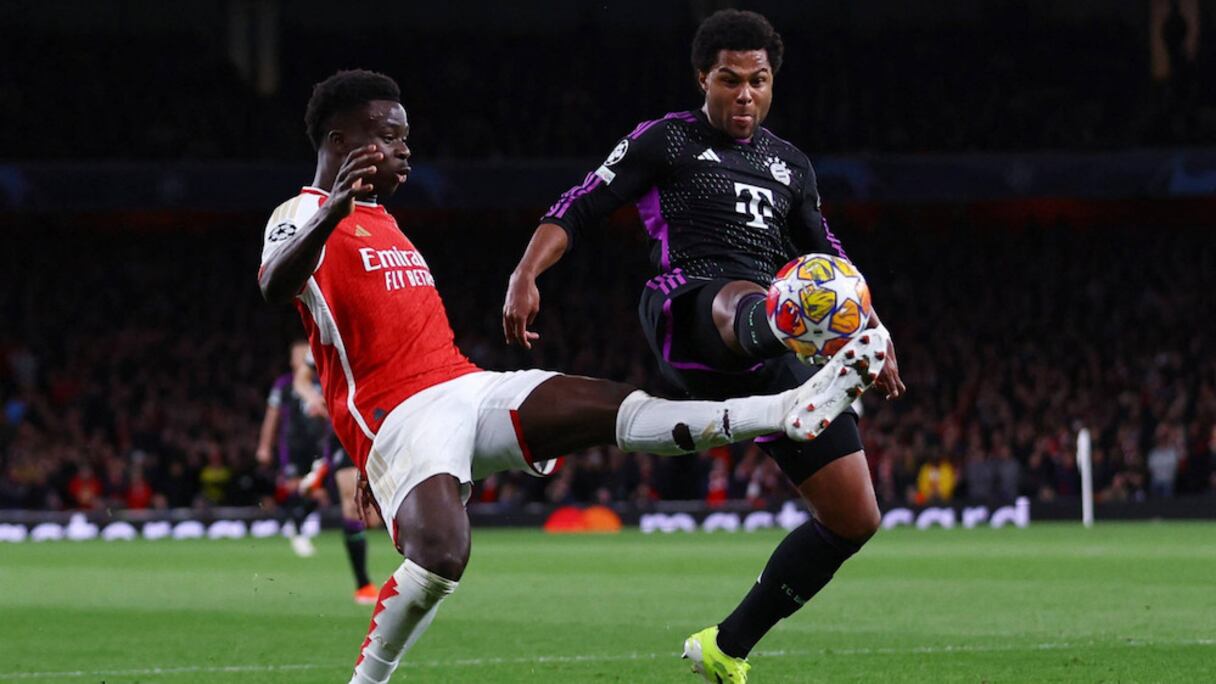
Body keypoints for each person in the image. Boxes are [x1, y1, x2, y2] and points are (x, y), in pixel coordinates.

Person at [258, 69, 886, 684]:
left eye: (405, 138)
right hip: (404, 416)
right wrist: (330, 213)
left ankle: (788, 407)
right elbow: (274, 282)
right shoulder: (303, 211)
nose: (404, 150)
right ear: (341, 144)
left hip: (466, 385)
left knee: (622, 411)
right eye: (389, 137)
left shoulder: (387, 222)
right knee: (442, 558)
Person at [502, 10, 906, 682]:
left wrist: (872, 326)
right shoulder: (667, 141)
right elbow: (580, 205)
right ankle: (792, 342)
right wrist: (524, 274)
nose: (745, 94)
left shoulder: (791, 165)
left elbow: (827, 254)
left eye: (759, 81)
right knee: (747, 297)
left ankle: (728, 646)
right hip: (689, 312)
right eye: (730, 80)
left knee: (854, 518)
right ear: (703, 79)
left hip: (777, 341)